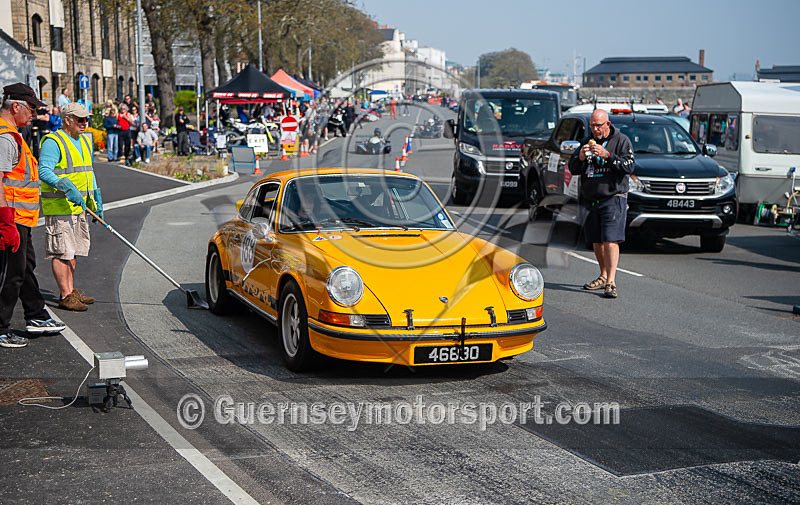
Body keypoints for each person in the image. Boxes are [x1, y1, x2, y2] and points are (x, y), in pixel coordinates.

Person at [0, 83, 67, 348]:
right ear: (15, 106)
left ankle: (36, 314)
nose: (34, 114)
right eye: (31, 108)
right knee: (10, 274)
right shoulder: (6, 138)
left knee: (24, 267)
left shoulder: (13, 134)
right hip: (11, 217)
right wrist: (6, 222)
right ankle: (1, 327)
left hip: (20, 218)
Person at [38, 102, 103, 311]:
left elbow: (88, 171)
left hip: (78, 207)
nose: (85, 123)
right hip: (60, 206)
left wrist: (96, 196)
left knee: (73, 252)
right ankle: (65, 295)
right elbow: (43, 171)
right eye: (80, 119)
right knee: (61, 252)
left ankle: (70, 290)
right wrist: (65, 186)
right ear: (67, 120)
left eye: (87, 119)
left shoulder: (83, 141)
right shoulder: (53, 141)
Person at [567, 109, 634, 299]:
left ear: (608, 124)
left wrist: (607, 155)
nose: (595, 130)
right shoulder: (586, 141)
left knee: (610, 240)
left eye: (598, 126)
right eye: (592, 126)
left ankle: (611, 282)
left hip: (613, 196)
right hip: (590, 197)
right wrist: (580, 158)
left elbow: (629, 166)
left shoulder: (621, 141)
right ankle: (603, 275)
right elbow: (573, 168)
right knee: (596, 240)